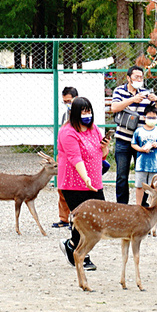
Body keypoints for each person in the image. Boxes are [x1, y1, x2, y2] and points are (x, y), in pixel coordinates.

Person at [57, 97, 109, 272]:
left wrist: (105, 147)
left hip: (94, 181)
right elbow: (75, 158)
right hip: (74, 183)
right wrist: (85, 177)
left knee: (99, 218)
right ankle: (82, 254)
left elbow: (102, 154)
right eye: (83, 111)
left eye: (89, 111)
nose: (87, 115)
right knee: (83, 220)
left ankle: (71, 245)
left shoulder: (94, 129)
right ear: (75, 113)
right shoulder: (67, 132)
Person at [108, 66, 157, 204]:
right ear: (128, 78)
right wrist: (133, 99)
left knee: (143, 173)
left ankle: (143, 205)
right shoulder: (119, 91)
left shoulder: (146, 92)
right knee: (122, 175)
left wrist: (156, 100)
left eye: (141, 77)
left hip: (141, 140)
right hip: (123, 139)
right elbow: (114, 108)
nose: (139, 80)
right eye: (136, 77)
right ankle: (122, 206)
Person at [131, 106, 157, 206]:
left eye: (154, 117)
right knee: (139, 186)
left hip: (155, 165)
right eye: (149, 117)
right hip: (141, 164)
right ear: (144, 117)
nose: (152, 120)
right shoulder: (138, 131)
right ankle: (138, 206)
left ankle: (153, 205)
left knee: (155, 187)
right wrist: (141, 149)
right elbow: (133, 144)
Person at [53, 86, 79, 228]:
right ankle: (64, 218)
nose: (67, 104)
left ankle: (76, 218)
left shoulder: (83, 114)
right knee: (62, 187)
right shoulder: (65, 115)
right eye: (65, 101)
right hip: (64, 154)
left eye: (69, 101)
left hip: (77, 155)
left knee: (76, 188)